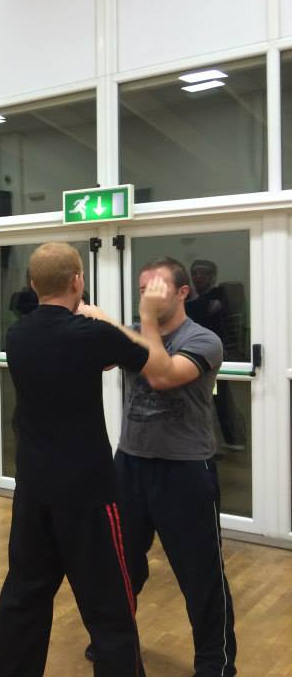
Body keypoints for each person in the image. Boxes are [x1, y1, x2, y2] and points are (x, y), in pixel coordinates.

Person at [0, 242, 173, 677]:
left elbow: (78, 360)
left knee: (24, 597)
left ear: (33, 284)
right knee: (109, 607)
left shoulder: (19, 333)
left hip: (33, 489)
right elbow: (160, 368)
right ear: (77, 281)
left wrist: (98, 334)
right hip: (87, 493)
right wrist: (144, 317)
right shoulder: (91, 334)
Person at [87, 257, 238, 677]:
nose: (148, 297)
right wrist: (96, 321)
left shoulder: (203, 339)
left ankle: (215, 664)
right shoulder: (137, 333)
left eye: (156, 289)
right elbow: (102, 358)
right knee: (122, 565)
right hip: (130, 464)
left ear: (183, 292)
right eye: (143, 290)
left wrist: (143, 321)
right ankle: (115, 641)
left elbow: (162, 375)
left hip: (185, 470)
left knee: (200, 574)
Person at [186, 259, 246, 452]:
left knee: (219, 399)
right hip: (196, 357)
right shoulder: (194, 297)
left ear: (212, 277)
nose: (198, 277)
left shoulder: (218, 295)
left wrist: (188, 300)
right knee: (205, 399)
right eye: (195, 273)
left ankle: (230, 440)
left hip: (217, 357)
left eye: (204, 273)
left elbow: (199, 310)